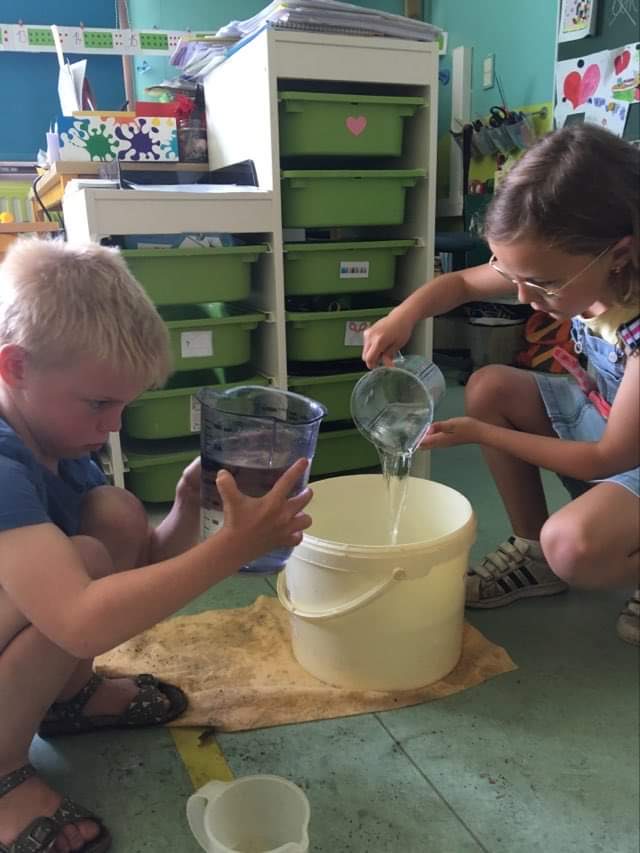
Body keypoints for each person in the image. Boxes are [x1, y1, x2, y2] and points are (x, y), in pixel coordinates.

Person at [0, 239, 313, 852]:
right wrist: (231, 549)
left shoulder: (56, 438)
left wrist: (188, 508)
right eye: (99, 403)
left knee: (114, 513)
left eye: (123, 404)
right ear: (15, 368)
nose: (113, 425)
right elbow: (81, 620)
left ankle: (65, 698)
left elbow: (141, 572)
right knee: (83, 566)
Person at [363, 123, 639, 646]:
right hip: (612, 414)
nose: (523, 295)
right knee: (490, 385)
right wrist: (403, 315)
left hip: (622, 446)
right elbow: (462, 283)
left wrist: (482, 434)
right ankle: (533, 554)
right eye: (511, 274)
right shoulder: (574, 264)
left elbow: (609, 457)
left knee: (575, 547)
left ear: (619, 254)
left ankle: (569, 551)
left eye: (543, 283)